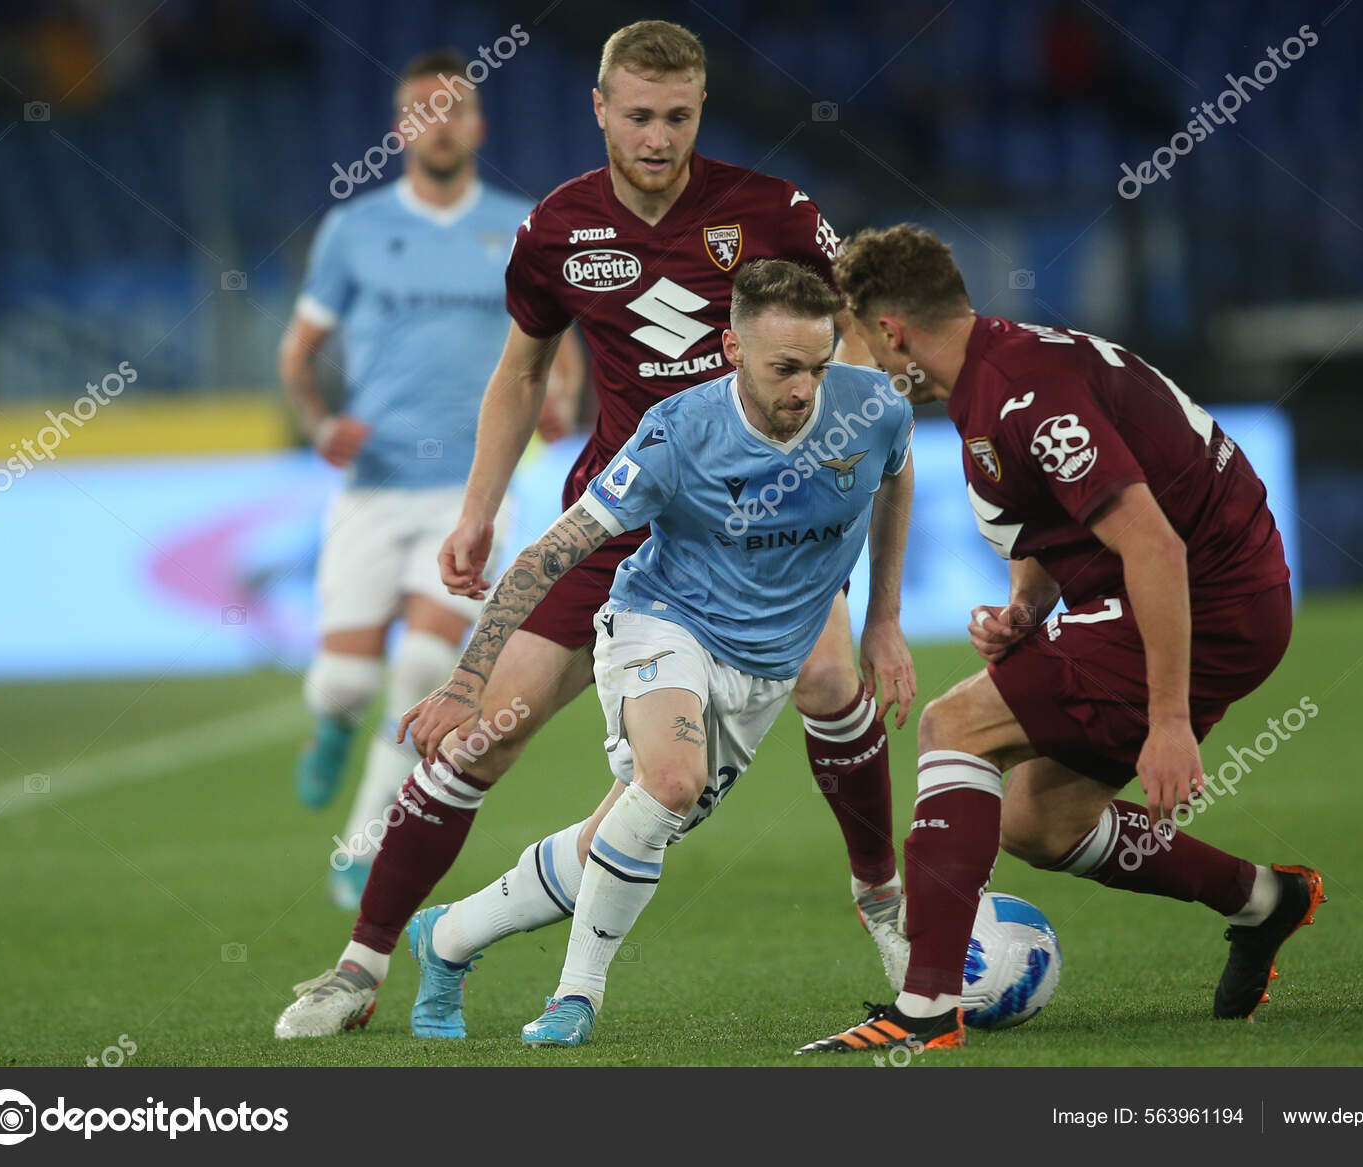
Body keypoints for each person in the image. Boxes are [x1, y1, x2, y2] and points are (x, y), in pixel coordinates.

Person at [276, 21, 912, 1039]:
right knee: (482, 736)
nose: (657, 138)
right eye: (639, 116)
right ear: (601, 109)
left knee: (834, 683)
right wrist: (478, 510)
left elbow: (861, 353)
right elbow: (523, 370)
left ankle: (885, 905)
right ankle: (359, 968)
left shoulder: (775, 212)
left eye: (678, 117)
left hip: (760, 520)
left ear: (698, 111)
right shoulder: (557, 229)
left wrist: (857, 537)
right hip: (626, 516)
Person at [797, 224, 1324, 1055]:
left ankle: (927, 1004)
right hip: (1171, 588)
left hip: (1208, 597)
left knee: (952, 726)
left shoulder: (1022, 393)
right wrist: (1025, 608)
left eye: (852, 344)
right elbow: (1062, 525)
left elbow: (1154, 544)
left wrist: (1169, 717)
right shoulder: (994, 373)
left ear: (891, 331)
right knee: (1040, 819)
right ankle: (1264, 900)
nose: (852, 368)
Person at [403, 259, 915, 1045]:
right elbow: (549, 552)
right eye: (785, 368)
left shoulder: (873, 409)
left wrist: (883, 619)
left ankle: (446, 938)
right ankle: (576, 997)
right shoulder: (677, 435)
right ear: (731, 349)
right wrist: (468, 680)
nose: (806, 389)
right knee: (672, 783)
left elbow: (895, 477)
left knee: (612, 843)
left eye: (818, 365)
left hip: (763, 671)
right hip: (661, 623)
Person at [278, 48, 583, 908]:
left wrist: (562, 393)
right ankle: (334, 720)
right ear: (400, 126)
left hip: (470, 486)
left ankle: (362, 843)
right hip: (373, 485)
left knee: (420, 671)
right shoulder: (356, 230)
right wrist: (319, 422)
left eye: (455, 109)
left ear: (479, 126)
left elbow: (560, 336)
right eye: (423, 109)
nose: (440, 123)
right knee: (345, 680)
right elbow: (299, 352)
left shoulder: (525, 227)